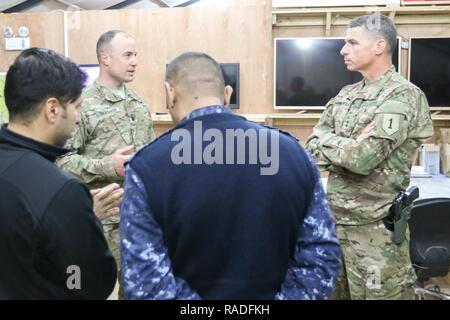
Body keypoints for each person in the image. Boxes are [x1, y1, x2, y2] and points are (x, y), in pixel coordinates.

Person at [120, 51, 341, 300]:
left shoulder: (146, 166)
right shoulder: (293, 153)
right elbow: (322, 255)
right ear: (227, 94)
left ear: (170, 93)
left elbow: (144, 282)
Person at [306, 14, 433, 300]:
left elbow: (362, 159)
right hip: (336, 228)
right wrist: (344, 145)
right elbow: (312, 146)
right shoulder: (345, 95)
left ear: (379, 46)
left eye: (352, 42)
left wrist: (335, 145)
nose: (343, 50)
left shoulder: (403, 97)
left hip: (375, 237)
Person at [0, 48, 117, 299]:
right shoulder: (61, 191)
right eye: (76, 106)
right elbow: (88, 282)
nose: (77, 118)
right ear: (52, 109)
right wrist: (81, 220)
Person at [57, 30, 156, 266]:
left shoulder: (139, 103)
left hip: (141, 217)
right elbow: (61, 161)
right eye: (128, 55)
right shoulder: (82, 104)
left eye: (136, 55)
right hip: (101, 221)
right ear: (105, 58)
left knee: (136, 289)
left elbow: (150, 154)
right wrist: (107, 166)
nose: (135, 61)